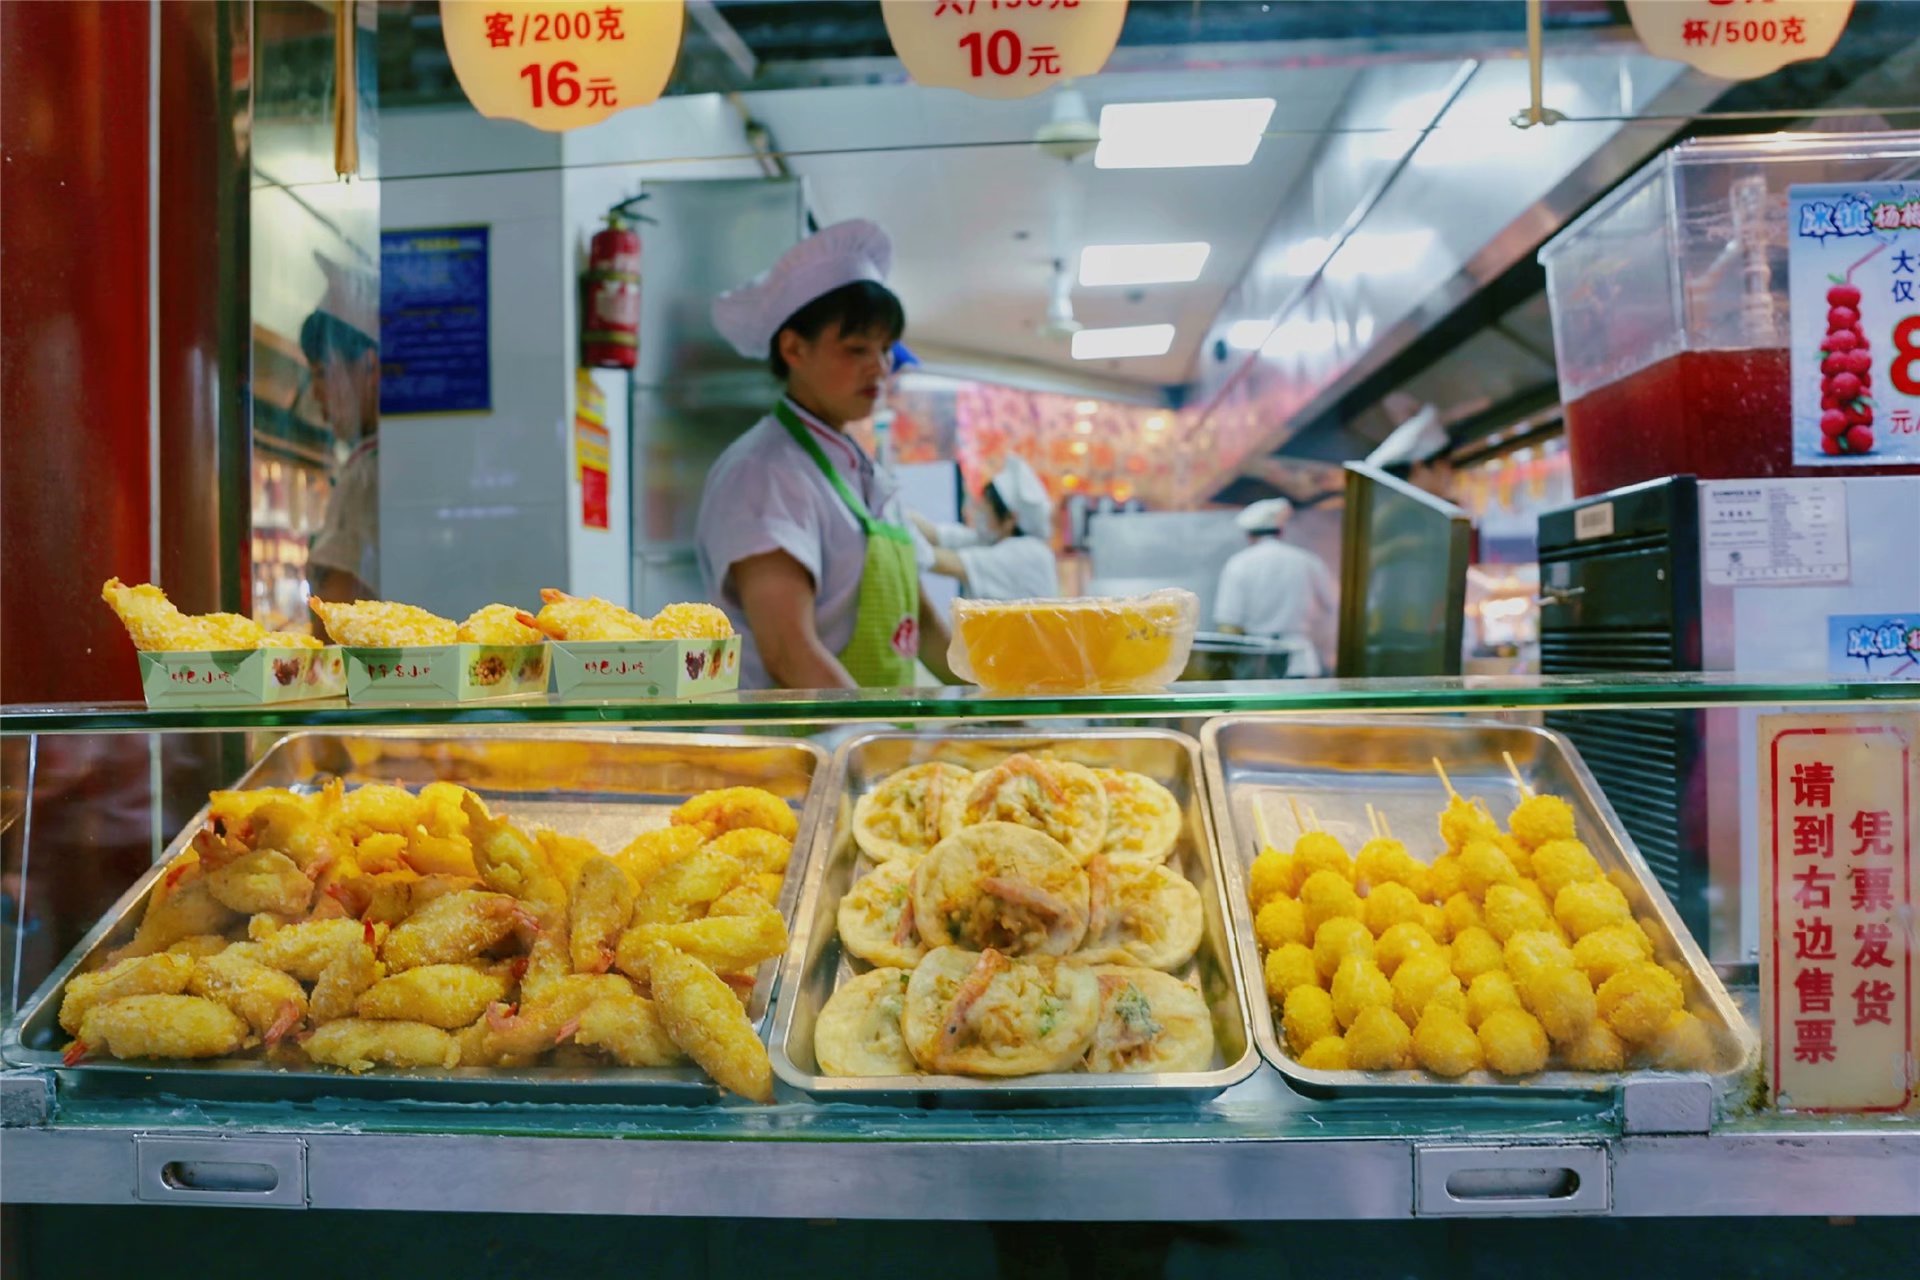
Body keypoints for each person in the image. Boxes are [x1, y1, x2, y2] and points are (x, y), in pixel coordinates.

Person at [696, 219, 953, 691]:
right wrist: (873, 748)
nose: (879, 367)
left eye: (885, 348)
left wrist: (997, 703)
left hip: (860, 741)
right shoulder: (764, 473)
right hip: (794, 752)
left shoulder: (865, 471)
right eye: (857, 348)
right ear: (794, 348)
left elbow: (926, 627)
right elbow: (789, 654)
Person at [303, 255, 381, 606]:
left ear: (368, 364)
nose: (316, 392)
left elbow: (336, 607)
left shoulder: (367, 475)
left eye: (322, 372)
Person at [1213, 497, 1336, 677]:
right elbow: (1332, 605)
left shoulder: (1239, 563)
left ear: (1249, 535)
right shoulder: (1307, 561)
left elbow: (1229, 623)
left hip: (1257, 661)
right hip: (1300, 659)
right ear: (1281, 532)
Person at [910, 457, 1059, 601]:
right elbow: (935, 534)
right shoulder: (993, 540)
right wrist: (897, 512)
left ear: (1010, 519)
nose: (979, 512)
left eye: (986, 508)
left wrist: (900, 544)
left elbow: (948, 563)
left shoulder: (1028, 553)